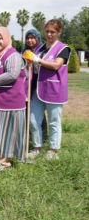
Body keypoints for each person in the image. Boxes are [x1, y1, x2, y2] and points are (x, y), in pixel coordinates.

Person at [24, 19, 71, 160]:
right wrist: (28, 61)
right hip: (38, 89)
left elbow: (56, 65)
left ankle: (53, 150)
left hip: (54, 90)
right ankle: (37, 147)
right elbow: (34, 66)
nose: (49, 34)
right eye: (47, 31)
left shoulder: (63, 48)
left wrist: (38, 60)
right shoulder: (40, 48)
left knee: (54, 121)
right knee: (33, 119)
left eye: (53, 32)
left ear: (59, 32)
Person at [0, 27, 27, 169]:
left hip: (11, 100)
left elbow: (12, 74)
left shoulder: (12, 55)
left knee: (8, 131)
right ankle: (0, 157)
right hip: (0, 100)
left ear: (6, 38)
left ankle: (5, 161)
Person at [23, 29, 48, 143]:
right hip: (27, 86)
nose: (30, 40)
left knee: (39, 113)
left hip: (39, 84)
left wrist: (35, 60)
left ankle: (43, 138)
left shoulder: (42, 51)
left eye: (32, 38)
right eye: (27, 38)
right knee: (29, 112)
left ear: (37, 38)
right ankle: (29, 136)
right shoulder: (23, 52)